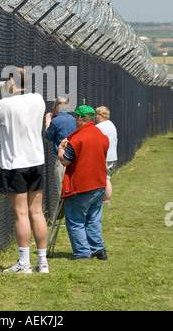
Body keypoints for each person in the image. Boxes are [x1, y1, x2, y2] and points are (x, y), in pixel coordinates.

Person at [0, 67, 49, 273]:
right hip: (36, 161)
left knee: (21, 213)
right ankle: (43, 262)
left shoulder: (4, 104)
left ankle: (24, 263)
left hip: (14, 164)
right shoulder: (38, 99)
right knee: (36, 211)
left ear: (11, 82)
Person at [58, 105, 109, 260]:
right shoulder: (102, 136)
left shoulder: (77, 138)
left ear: (80, 118)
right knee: (94, 219)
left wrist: (60, 148)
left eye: (76, 118)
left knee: (75, 220)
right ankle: (98, 249)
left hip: (81, 185)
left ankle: (82, 253)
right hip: (99, 184)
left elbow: (66, 161)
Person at [45, 97, 76, 197]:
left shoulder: (56, 121)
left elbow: (47, 138)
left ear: (57, 108)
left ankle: (65, 212)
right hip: (74, 158)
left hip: (62, 158)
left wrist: (48, 122)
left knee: (62, 190)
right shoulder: (73, 120)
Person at [95, 106, 118, 204]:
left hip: (105, 157)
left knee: (104, 179)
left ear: (100, 116)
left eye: (96, 114)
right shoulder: (111, 124)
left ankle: (105, 199)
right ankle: (106, 198)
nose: (95, 117)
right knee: (107, 177)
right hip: (113, 156)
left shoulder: (99, 127)